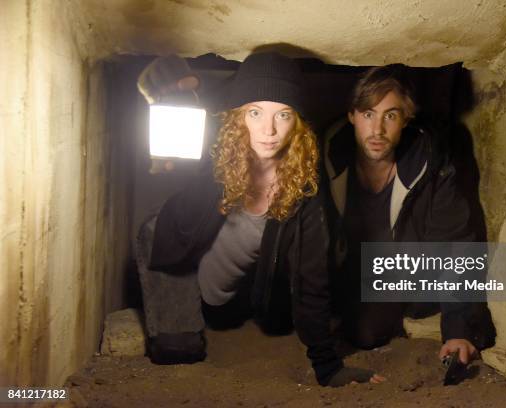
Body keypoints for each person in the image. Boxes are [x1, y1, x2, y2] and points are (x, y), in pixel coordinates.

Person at [135, 52, 384, 387]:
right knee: (155, 230)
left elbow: (312, 274)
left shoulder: (304, 185)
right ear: (239, 117)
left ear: (296, 121)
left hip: (243, 305)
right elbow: (158, 88)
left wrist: (328, 366)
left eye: (282, 114)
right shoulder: (216, 149)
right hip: (190, 284)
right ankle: (178, 331)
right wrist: (168, 82)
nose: (268, 130)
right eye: (255, 112)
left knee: (272, 315)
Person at [323, 65, 496, 365]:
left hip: (409, 278)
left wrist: (458, 329)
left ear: (406, 119)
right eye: (367, 114)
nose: (377, 130)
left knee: (372, 328)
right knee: (363, 332)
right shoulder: (327, 158)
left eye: (390, 115)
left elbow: (454, 243)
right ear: (351, 116)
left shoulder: (430, 163)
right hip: (349, 277)